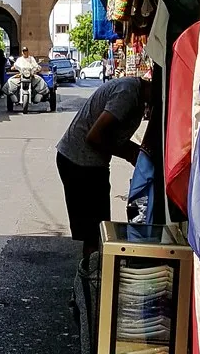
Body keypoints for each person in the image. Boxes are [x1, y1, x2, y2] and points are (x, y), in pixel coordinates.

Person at [56, 76, 152, 258]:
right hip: (80, 162)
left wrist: (136, 151)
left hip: (89, 163)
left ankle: (94, 273)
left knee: (98, 227)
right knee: (94, 231)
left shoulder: (137, 95)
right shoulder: (128, 93)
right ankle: (93, 276)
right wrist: (130, 153)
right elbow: (94, 137)